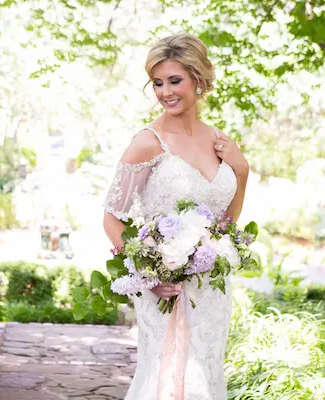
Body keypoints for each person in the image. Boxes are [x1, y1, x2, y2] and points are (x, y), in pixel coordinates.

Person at [102, 33, 249, 400]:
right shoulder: (148, 142)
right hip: (165, 288)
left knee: (206, 375)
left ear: (198, 80)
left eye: (175, 80)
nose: (165, 91)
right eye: (157, 82)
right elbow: (111, 218)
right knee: (165, 380)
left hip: (211, 289)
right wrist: (147, 275)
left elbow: (225, 224)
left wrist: (241, 172)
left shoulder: (219, 140)